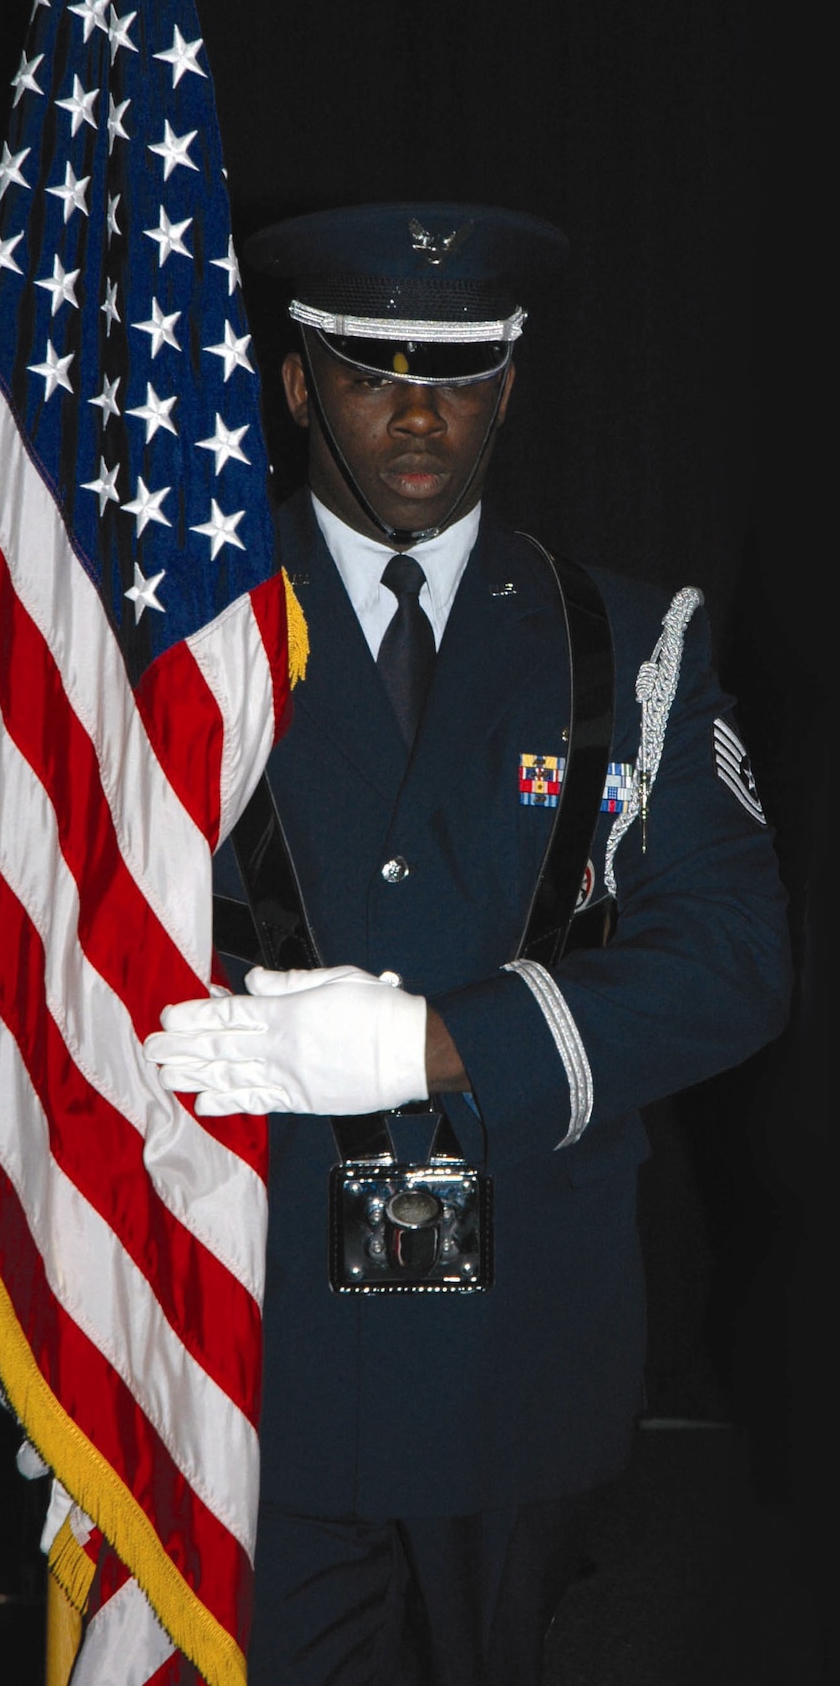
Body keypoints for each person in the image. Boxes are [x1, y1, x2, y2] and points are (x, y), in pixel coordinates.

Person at [144, 202, 791, 1684]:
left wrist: (434, 1045)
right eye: (372, 373)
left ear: (508, 384)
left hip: (523, 1348)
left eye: (455, 375)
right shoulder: (172, 640)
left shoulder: (631, 645)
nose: (416, 414)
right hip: (239, 1337)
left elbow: (734, 961)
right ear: (298, 384)